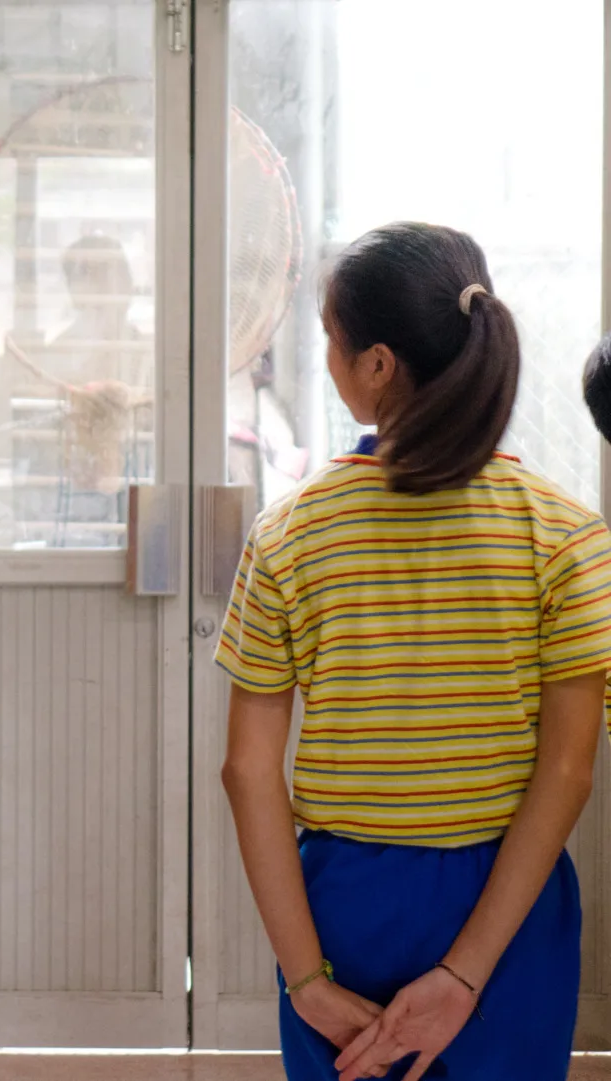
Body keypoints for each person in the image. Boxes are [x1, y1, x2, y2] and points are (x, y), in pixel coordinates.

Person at [217, 223, 611, 1081]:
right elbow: (569, 770)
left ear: (379, 365)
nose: (326, 356)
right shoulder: (567, 537)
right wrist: (468, 972)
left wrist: (306, 981)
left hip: (344, 909)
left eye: (330, 337)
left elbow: (248, 772)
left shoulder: (289, 533)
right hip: (512, 907)